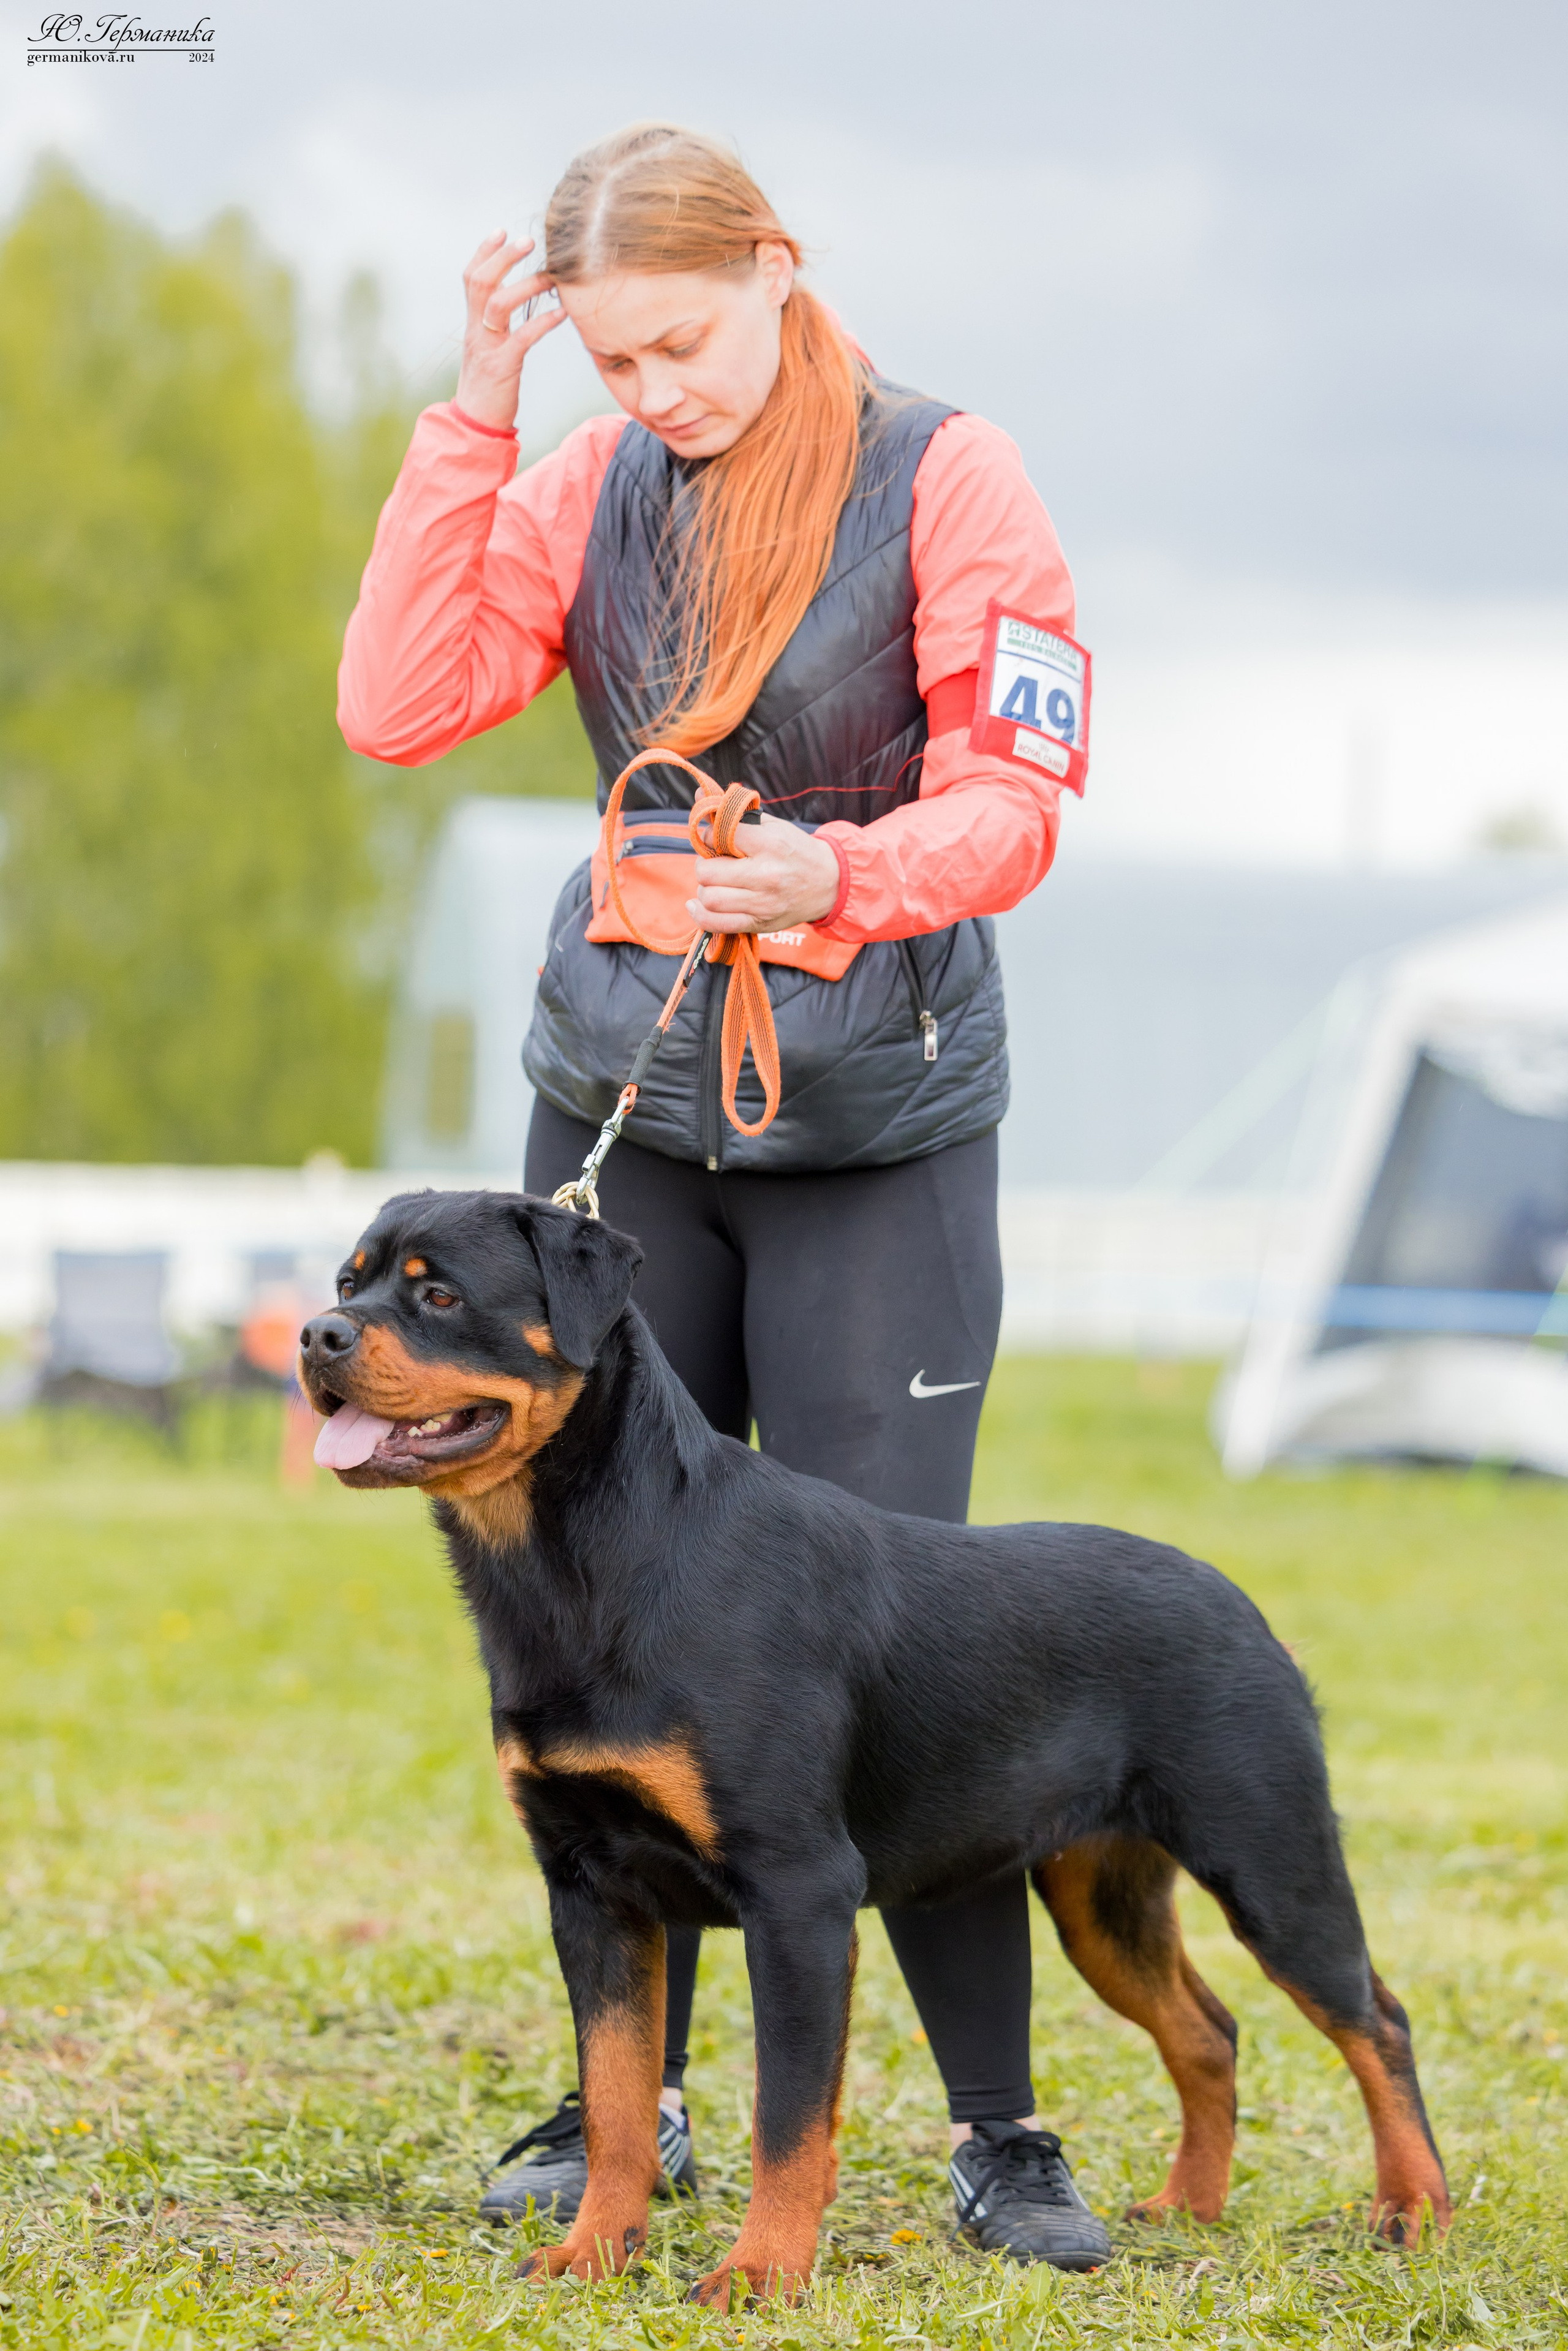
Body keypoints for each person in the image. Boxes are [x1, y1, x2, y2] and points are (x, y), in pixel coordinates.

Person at [338, 123, 1108, 2273]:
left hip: (877, 1132)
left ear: (777, 267)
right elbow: (398, 709)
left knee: (909, 1629)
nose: (653, 391)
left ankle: (999, 2133)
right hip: (626, 1119)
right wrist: (478, 418)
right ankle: (629, 2112)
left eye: (678, 341)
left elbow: (1022, 793)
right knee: (586, 1619)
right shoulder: (582, 481)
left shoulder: (953, 474)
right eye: (609, 358)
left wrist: (843, 878)